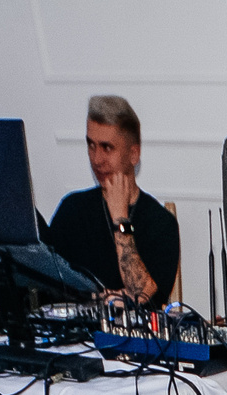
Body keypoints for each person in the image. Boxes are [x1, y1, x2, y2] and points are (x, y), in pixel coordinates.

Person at [46, 96, 180, 307]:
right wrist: (105, 298)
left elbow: (143, 299)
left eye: (107, 148)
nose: (97, 159)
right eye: (91, 145)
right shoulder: (72, 209)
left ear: (133, 154)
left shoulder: (161, 223)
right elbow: (49, 290)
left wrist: (120, 218)